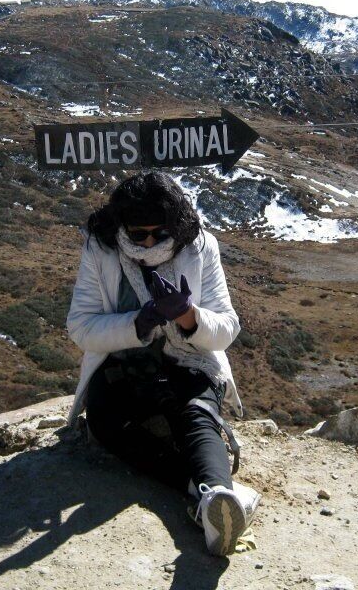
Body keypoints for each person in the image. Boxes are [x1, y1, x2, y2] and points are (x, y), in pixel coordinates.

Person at [65, 171, 260, 556]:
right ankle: (214, 496)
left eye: (160, 232)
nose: (149, 241)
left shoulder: (201, 247)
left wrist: (188, 317)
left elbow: (226, 327)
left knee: (195, 412)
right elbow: (81, 327)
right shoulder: (101, 249)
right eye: (138, 234)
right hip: (124, 365)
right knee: (105, 421)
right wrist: (139, 323)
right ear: (121, 226)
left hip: (189, 360)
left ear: (177, 225)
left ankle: (216, 495)